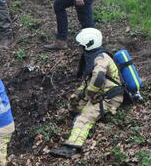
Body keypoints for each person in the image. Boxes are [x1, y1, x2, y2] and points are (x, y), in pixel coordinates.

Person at [50, 28, 124, 158]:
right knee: (74, 108)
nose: (80, 48)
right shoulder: (93, 57)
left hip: (110, 97)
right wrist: (77, 95)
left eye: (82, 46)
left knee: (84, 118)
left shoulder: (101, 59)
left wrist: (90, 95)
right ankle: (97, 115)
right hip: (100, 94)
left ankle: (72, 147)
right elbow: (87, 81)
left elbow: (98, 77)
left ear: (88, 45)